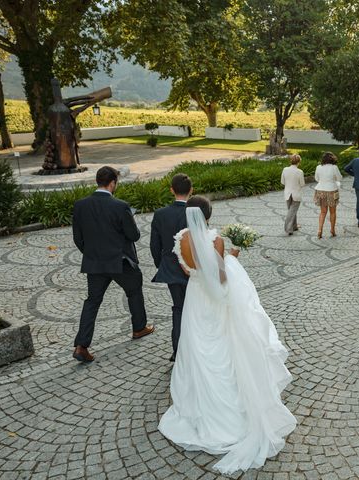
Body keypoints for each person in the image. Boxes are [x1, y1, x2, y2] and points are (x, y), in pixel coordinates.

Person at [159, 197, 297, 475]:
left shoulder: (181, 238)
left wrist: (214, 264)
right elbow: (220, 278)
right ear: (209, 214)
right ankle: (232, 414)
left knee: (198, 349)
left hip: (195, 301)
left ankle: (198, 404)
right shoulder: (214, 239)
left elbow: (191, 271)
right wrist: (232, 257)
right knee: (223, 350)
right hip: (214, 303)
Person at [71, 166, 154, 362]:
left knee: (92, 301)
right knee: (134, 291)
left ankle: (81, 346)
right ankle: (139, 328)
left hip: (95, 263)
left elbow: (78, 238)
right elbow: (134, 235)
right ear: (113, 183)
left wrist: (91, 254)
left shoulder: (80, 205)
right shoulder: (121, 206)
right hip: (120, 262)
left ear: (97, 182)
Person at [150, 173, 192, 362]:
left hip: (170, 269)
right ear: (191, 190)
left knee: (178, 308)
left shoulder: (160, 215)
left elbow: (154, 246)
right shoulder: (195, 214)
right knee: (194, 308)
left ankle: (177, 351)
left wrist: (162, 264)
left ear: (171, 190)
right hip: (193, 270)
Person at [313, 151, 342, 238]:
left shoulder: (318, 167)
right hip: (332, 190)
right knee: (332, 212)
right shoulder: (334, 167)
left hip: (320, 190)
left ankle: (319, 230)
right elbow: (339, 178)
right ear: (332, 159)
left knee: (322, 212)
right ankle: (332, 230)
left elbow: (316, 178)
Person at [281, 154, 305, 235]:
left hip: (287, 193)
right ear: (299, 162)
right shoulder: (300, 172)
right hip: (296, 194)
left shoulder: (285, 169)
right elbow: (302, 184)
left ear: (290, 161)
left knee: (292, 210)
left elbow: (282, 182)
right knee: (292, 212)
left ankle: (294, 226)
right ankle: (288, 229)